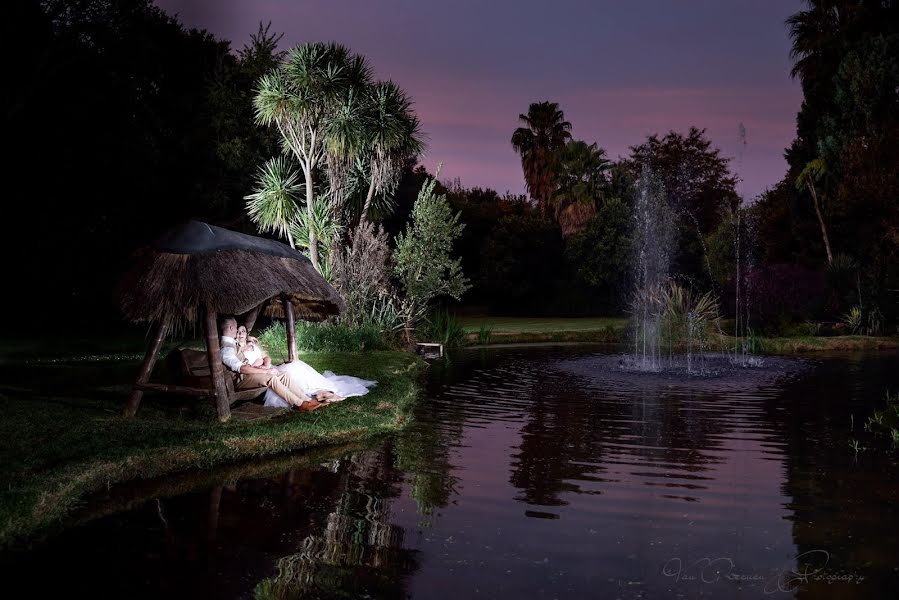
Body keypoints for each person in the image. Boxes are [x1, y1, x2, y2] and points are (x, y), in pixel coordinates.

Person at [235, 323, 377, 409]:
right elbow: (246, 366)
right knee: (292, 369)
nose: (241, 333)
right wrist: (261, 367)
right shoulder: (237, 351)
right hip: (263, 373)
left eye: (243, 331)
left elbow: (266, 357)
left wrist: (265, 364)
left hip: (270, 368)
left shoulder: (252, 345)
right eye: (238, 331)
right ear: (235, 334)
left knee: (297, 364)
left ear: (247, 333)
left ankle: (315, 392)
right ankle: (307, 397)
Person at [219, 317, 323, 412]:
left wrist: (249, 337)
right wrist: (266, 371)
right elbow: (242, 369)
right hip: (241, 379)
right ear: (231, 327)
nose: (237, 330)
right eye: (236, 328)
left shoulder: (231, 342)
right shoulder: (226, 348)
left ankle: (307, 399)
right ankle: (300, 404)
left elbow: (241, 342)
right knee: (271, 378)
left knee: (284, 375)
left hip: (249, 375)